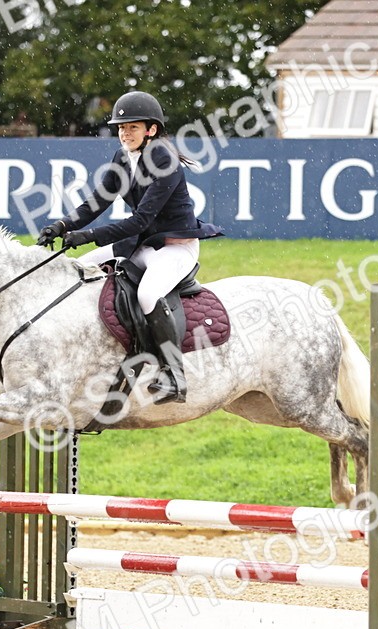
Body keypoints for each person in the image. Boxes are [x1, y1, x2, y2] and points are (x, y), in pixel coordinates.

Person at [36, 91, 224, 405]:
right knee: (80, 269)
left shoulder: (164, 159)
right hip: (141, 244)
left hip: (175, 247)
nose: (124, 134)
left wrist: (89, 235)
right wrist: (63, 225)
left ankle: (174, 375)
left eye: (132, 128)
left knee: (148, 293)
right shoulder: (123, 157)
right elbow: (96, 202)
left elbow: (140, 220)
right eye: (121, 128)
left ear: (151, 130)